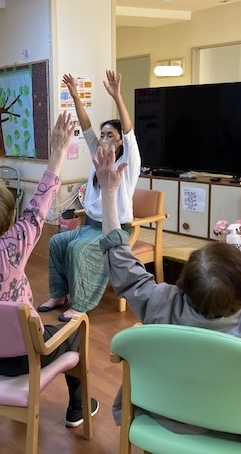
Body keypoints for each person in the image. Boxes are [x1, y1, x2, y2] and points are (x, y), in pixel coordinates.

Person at [93, 142, 241, 437]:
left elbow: (118, 257)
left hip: (166, 420)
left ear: (182, 285)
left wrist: (109, 191)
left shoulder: (160, 302)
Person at [0, 113, 99, 428]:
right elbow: (39, 206)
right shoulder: (13, 247)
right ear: (10, 219)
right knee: (75, 330)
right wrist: (57, 154)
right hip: (19, 359)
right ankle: (78, 407)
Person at [38, 71, 141, 322]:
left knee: (77, 249)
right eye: (102, 134)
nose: (103, 139)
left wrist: (117, 96)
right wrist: (75, 96)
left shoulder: (129, 161)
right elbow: (86, 127)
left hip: (115, 230)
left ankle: (80, 304)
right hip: (90, 226)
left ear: (120, 142)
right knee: (57, 242)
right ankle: (59, 295)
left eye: (110, 135)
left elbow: (129, 132)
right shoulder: (97, 155)